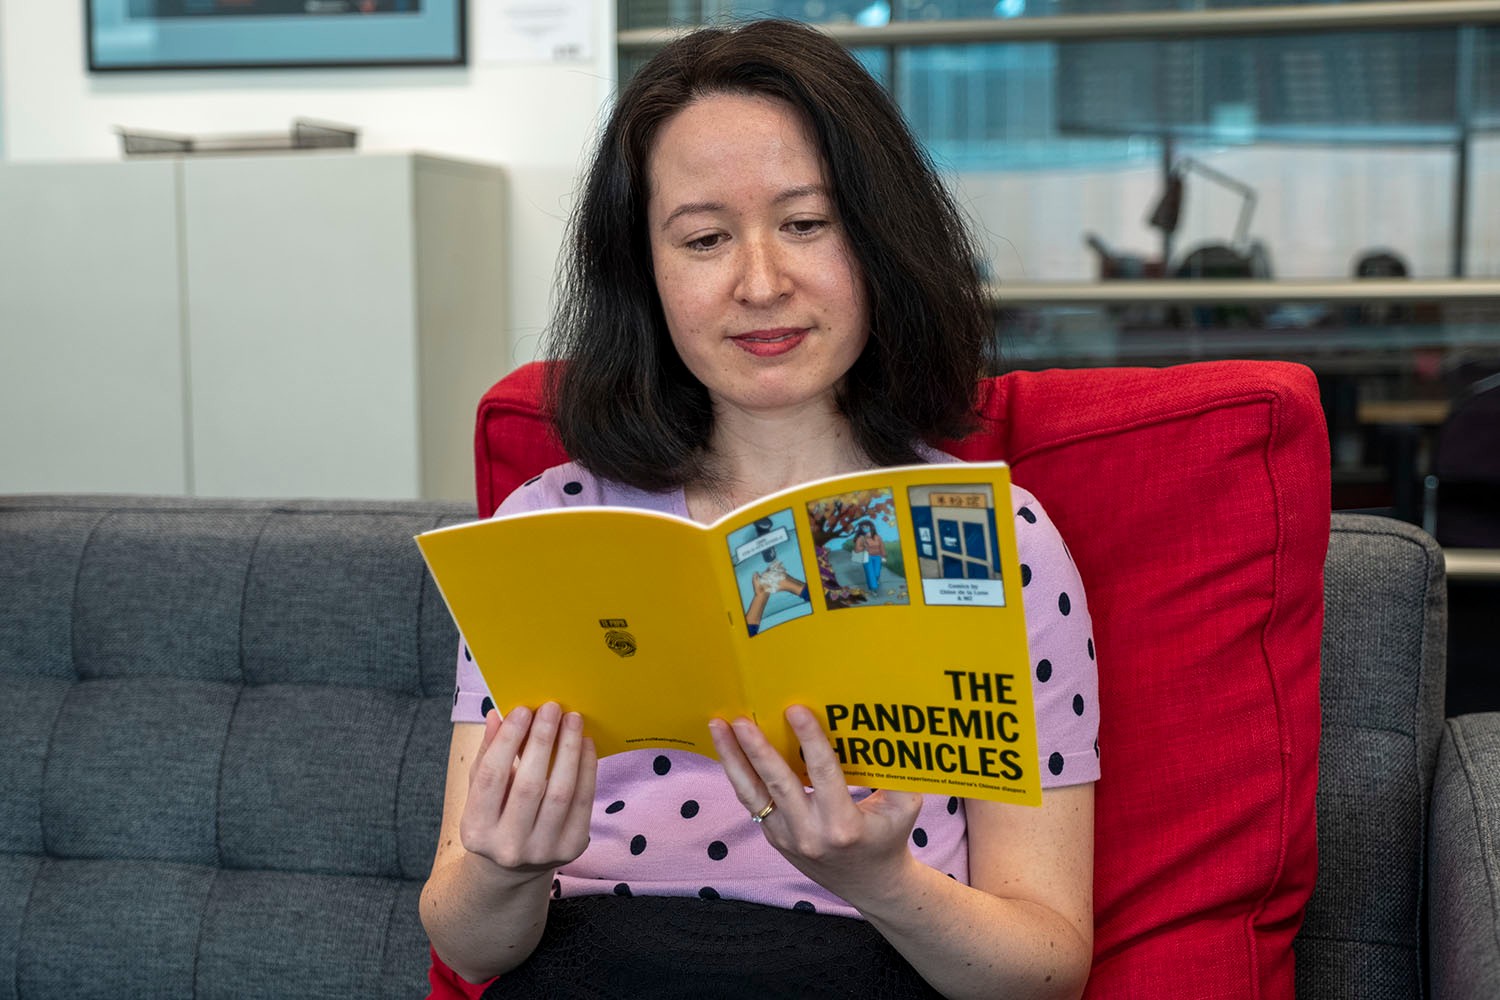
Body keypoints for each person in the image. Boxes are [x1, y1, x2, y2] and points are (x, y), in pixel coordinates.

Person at [420, 18, 1099, 999]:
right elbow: (468, 941)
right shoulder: (545, 531)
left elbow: (1045, 969)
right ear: (645, 276)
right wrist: (504, 866)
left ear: (877, 241)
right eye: (704, 239)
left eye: (806, 223)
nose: (763, 282)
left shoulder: (993, 543)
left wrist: (882, 879)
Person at [851, 520, 887, 592]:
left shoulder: (877, 537)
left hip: (877, 557)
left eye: (866, 526)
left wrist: (883, 555)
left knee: (876, 574)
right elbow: (856, 549)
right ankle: (873, 589)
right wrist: (864, 547)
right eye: (863, 527)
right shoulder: (861, 538)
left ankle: (874, 583)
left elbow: (881, 546)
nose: (865, 528)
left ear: (871, 527)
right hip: (867, 558)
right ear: (861, 529)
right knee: (870, 573)